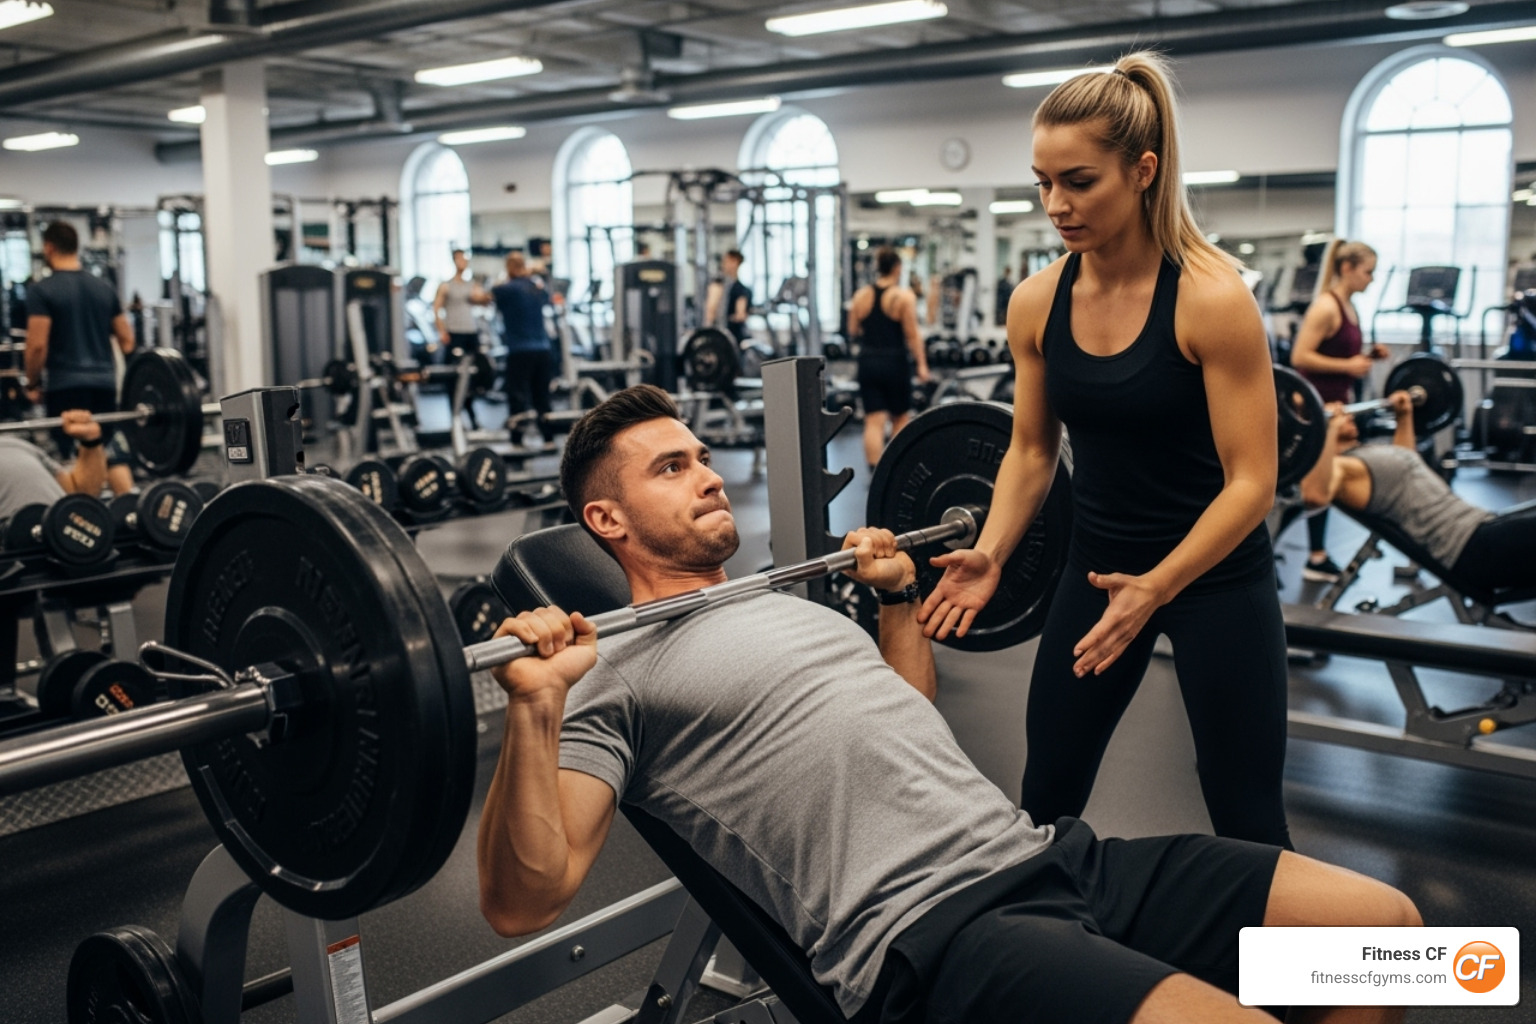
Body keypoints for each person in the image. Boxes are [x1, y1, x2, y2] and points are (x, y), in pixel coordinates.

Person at [476, 384, 1418, 1024]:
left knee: (1388, 938)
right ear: (607, 521)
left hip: (1049, 859)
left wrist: (895, 601)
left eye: (701, 455)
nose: (712, 472)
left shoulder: (784, 598)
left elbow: (909, 713)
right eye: (671, 469)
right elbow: (524, 900)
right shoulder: (610, 673)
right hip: (937, 938)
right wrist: (533, 707)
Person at [919, 53, 1291, 848]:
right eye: (1042, 182)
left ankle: (1298, 978)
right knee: (1046, 793)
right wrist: (990, 551)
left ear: (1143, 170)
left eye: (1079, 181)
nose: (1056, 204)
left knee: (1246, 811)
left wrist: (1155, 587)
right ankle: (1050, 968)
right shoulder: (1037, 301)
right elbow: (1028, 450)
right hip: (1094, 572)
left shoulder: (1211, 299)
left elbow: (1253, 483)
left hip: (1215, 582)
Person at [1301, 390, 1534, 592]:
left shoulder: (1366, 451)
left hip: (1481, 527)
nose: (1347, 413)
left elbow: (1407, 461)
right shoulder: (1341, 468)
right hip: (1467, 548)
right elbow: (1314, 496)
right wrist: (1327, 428)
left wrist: (1404, 416)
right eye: (1337, 413)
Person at [1288, 239, 1387, 582]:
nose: (1372, 279)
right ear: (1347, 268)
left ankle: (1316, 555)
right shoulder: (1326, 307)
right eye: (1368, 271)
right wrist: (1347, 366)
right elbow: (1300, 357)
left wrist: (1369, 356)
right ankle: (1278, 551)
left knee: (1325, 483)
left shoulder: (1349, 306)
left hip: (1335, 408)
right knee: (1310, 488)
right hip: (1314, 409)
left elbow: (1342, 354)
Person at [23, 221, 135, 461]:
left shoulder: (41, 290)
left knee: (70, 461)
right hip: (105, 385)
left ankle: (82, 499)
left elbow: (37, 346)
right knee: (106, 453)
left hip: (65, 387)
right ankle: (126, 497)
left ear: (49, 248)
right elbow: (127, 341)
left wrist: (32, 384)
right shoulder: (104, 288)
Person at [846, 247, 930, 469]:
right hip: (894, 361)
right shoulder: (903, 297)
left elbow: (853, 330)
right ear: (897, 268)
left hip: (868, 361)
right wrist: (922, 364)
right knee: (900, 417)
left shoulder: (861, 296)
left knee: (873, 419)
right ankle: (895, 467)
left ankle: (874, 468)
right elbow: (913, 335)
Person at [493, 252, 555, 448]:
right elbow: (548, 297)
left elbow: (489, 294)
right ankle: (548, 439)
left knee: (517, 396)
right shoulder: (536, 288)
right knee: (542, 397)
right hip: (542, 350)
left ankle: (517, 441)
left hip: (520, 351)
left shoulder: (506, 289)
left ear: (509, 268)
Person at [0, 410, 109, 520]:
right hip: (19, 533)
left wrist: (90, 442)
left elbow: (80, 494)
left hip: (65, 530)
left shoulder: (19, 446)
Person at [432, 249, 491, 357]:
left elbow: (484, 300)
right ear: (454, 261)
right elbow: (436, 309)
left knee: (479, 364)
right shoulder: (446, 286)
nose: (463, 261)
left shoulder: (472, 285)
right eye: (460, 259)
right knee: (453, 365)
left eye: (464, 259)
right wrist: (441, 331)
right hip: (454, 331)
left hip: (470, 329)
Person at [704, 250, 752, 343]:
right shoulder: (719, 284)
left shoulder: (741, 290)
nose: (723, 264)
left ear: (735, 262)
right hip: (720, 334)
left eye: (727, 261)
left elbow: (740, 315)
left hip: (732, 336)